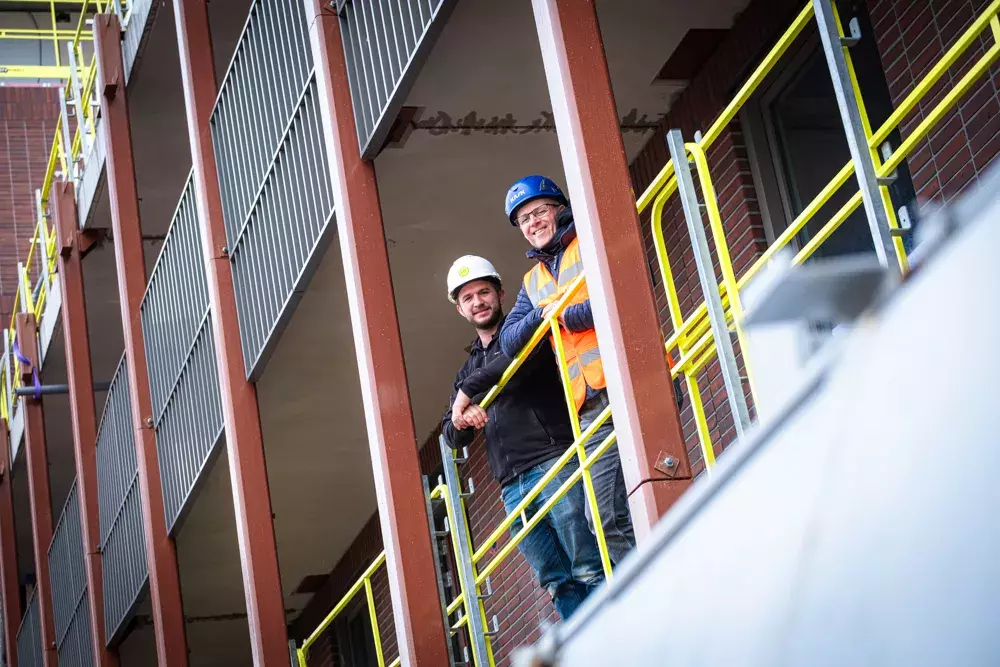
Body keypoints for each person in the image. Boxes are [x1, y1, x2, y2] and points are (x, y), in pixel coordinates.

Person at [441, 255, 604, 620]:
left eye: (484, 292)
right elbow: (450, 434)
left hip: (553, 460)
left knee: (587, 564)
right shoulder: (467, 369)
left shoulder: (522, 332)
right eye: (468, 298)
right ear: (460, 310)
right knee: (556, 581)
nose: (478, 302)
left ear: (500, 294)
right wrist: (463, 417)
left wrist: (470, 395)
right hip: (511, 486)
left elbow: (515, 370)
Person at [498, 175, 636, 566]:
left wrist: (562, 316)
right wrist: (543, 314)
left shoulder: (589, 241)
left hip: (629, 381)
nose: (533, 223)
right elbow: (509, 341)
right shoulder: (533, 281)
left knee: (651, 485)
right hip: (589, 409)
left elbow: (618, 292)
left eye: (539, 211)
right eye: (524, 219)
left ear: (559, 209)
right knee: (603, 520)